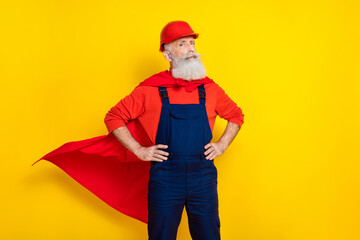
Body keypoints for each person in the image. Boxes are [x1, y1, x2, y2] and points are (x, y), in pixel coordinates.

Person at [104, 20, 244, 240]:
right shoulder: (149, 90)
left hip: (203, 177)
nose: (190, 48)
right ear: (168, 55)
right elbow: (113, 117)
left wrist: (222, 144)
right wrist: (140, 150)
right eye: (182, 44)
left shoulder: (209, 88)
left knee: (209, 236)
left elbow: (236, 116)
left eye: (192, 43)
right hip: (166, 178)